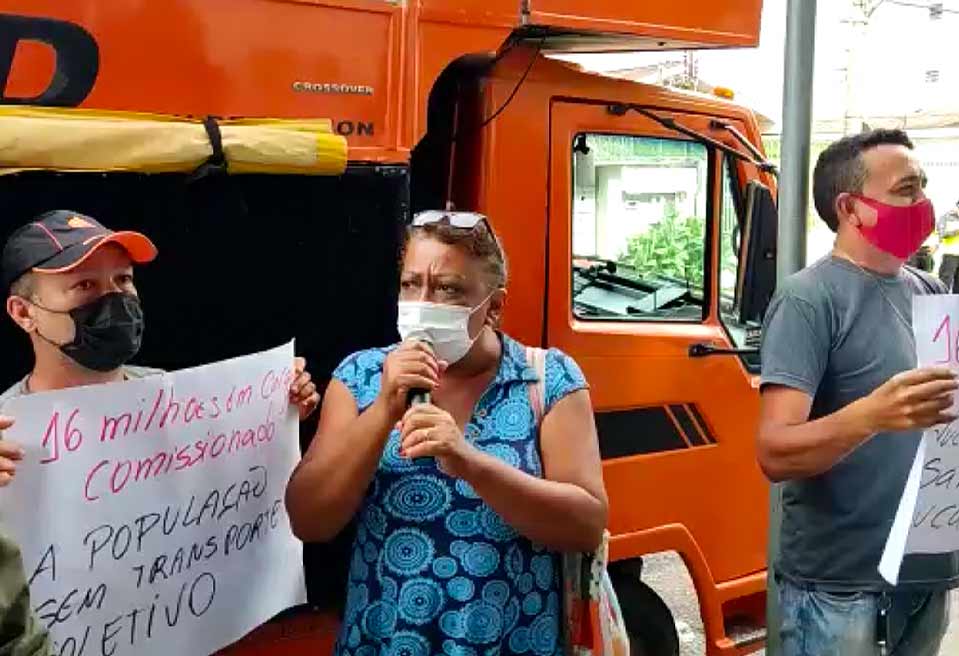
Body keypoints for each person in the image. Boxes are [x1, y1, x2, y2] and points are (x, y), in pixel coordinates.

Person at [285, 210, 608, 656]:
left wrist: (469, 462)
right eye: (410, 284)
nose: (423, 303)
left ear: (493, 306)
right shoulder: (360, 376)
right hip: (384, 640)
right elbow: (309, 520)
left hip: (510, 642)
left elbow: (587, 525)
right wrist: (383, 409)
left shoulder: (548, 380)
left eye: (449, 290)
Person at [0, 210, 322, 654]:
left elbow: (228, 503)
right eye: (85, 286)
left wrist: (275, 415)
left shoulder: (175, 400)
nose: (113, 299)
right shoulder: (4, 428)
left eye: (123, 281)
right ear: (23, 313)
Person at [756, 130, 959, 655]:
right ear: (852, 207)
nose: (923, 205)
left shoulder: (931, 291)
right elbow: (775, 451)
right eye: (906, 189)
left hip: (928, 575)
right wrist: (873, 415)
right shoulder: (809, 300)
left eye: (923, 188)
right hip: (842, 591)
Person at [936, 196, 959, 293]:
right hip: (950, 256)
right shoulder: (945, 218)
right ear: (957, 206)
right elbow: (941, 234)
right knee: (944, 285)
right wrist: (956, 231)